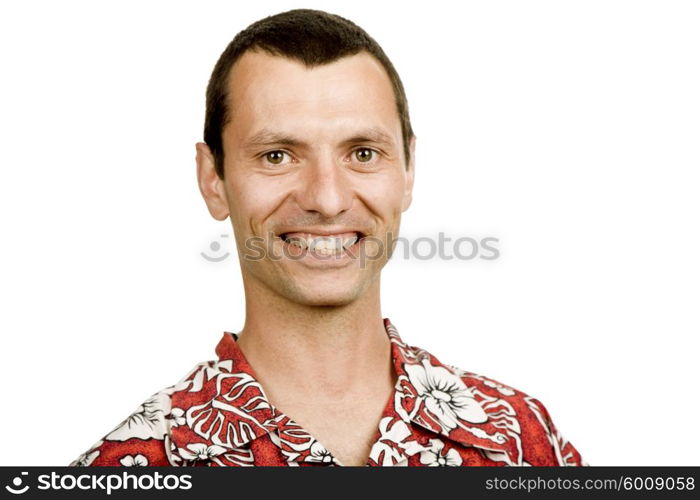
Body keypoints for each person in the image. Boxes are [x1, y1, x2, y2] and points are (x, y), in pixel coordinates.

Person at [70, 8, 586, 467]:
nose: (328, 198)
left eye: (362, 152)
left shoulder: (522, 441)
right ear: (213, 181)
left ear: (407, 171)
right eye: (277, 155)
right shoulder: (128, 467)